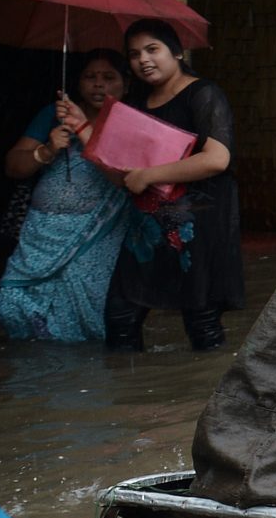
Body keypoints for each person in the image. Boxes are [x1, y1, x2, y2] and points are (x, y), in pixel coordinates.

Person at [61, 20, 242, 351]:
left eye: (152, 49)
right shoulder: (138, 104)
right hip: (147, 229)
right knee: (120, 317)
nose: (143, 59)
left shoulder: (204, 94)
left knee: (201, 322)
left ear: (177, 52)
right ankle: (128, 384)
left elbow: (217, 159)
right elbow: (122, 176)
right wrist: (82, 127)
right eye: (134, 54)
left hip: (198, 229)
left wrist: (149, 174)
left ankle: (213, 380)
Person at [0, 49, 132, 342]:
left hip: (97, 235)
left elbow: (124, 178)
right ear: (77, 83)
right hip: (41, 234)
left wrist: (82, 129)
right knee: (9, 305)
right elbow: (13, 167)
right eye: (90, 77)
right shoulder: (53, 116)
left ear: (126, 85)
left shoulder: (130, 123)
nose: (98, 84)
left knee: (86, 314)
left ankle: (82, 369)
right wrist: (47, 150)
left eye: (109, 77)